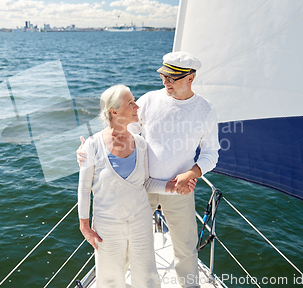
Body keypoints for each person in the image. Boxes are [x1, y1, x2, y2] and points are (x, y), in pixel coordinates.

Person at [78, 52, 220, 288]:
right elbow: (122, 133)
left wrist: (191, 174)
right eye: (163, 76)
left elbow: (211, 153)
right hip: (140, 189)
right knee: (127, 251)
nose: (165, 82)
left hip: (178, 190)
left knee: (186, 249)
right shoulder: (149, 101)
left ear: (190, 78)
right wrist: (88, 151)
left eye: (172, 78)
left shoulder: (205, 110)